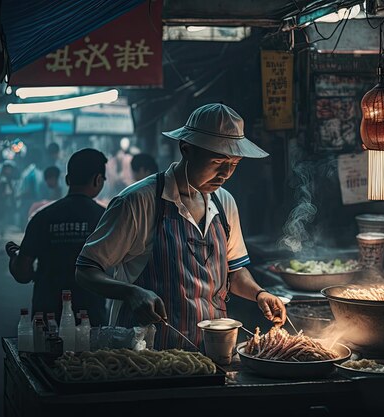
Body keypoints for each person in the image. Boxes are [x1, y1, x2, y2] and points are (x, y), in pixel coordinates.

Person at [75, 103, 286, 350]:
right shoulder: (138, 202)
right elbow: (86, 270)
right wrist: (130, 293)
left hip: (211, 351)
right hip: (144, 353)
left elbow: (234, 272)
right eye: (218, 161)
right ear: (186, 149)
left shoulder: (224, 202)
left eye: (234, 164)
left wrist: (260, 293)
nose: (226, 173)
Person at [6, 148, 110, 325]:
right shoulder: (106, 218)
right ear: (98, 180)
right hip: (90, 315)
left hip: (47, 315)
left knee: (46, 352)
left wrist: (14, 257)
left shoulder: (42, 217)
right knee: (92, 354)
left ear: (68, 180)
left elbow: (23, 273)